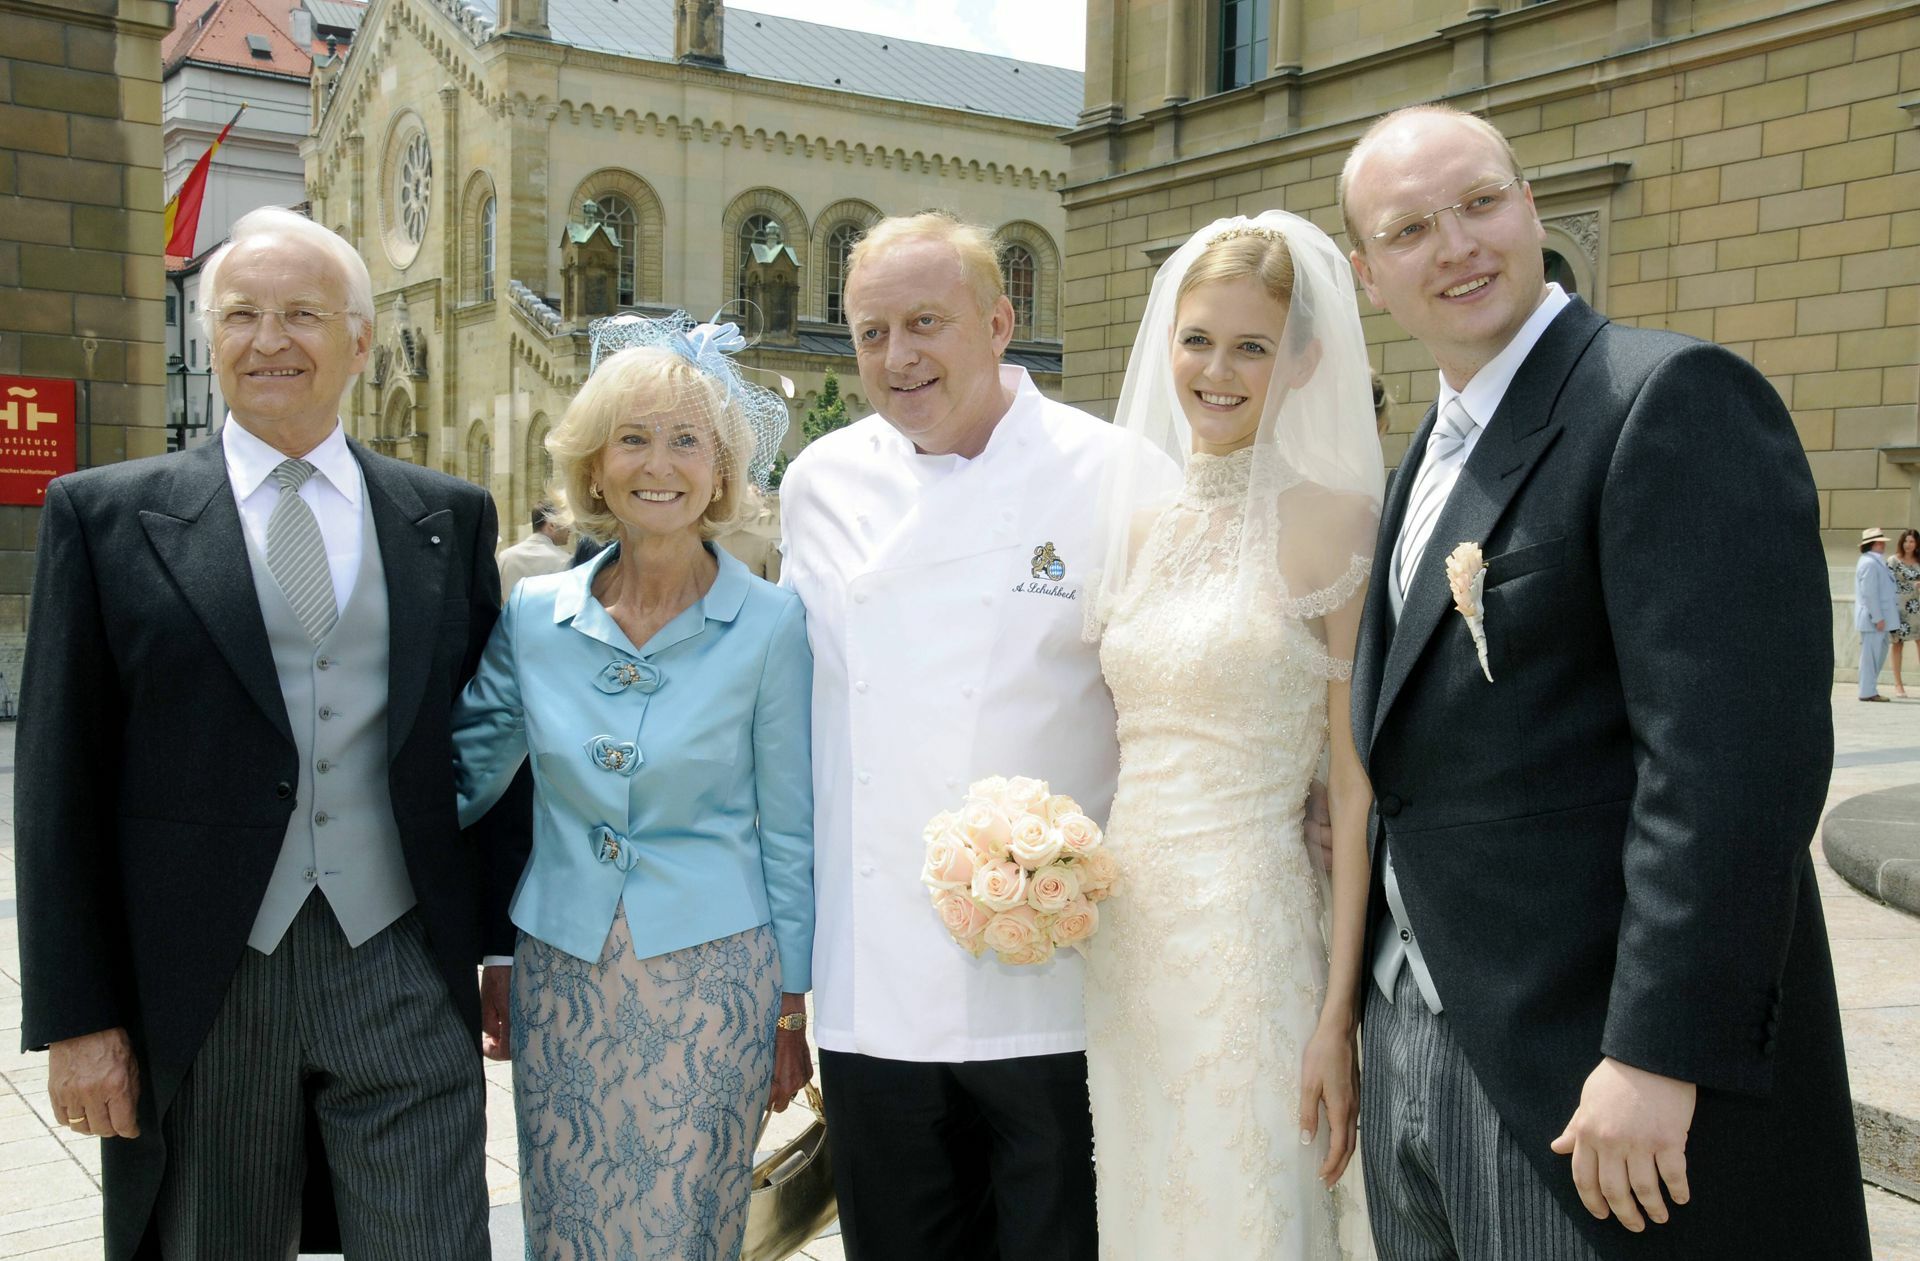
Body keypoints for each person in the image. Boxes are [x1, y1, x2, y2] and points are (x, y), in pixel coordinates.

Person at [1339, 104, 1869, 1260]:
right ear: (1368, 271)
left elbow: (1735, 765)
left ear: (1533, 208)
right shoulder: (1413, 472)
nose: (1460, 244)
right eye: (1413, 227)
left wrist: (1657, 1051)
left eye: (1482, 202)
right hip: (1417, 1040)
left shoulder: (1666, 399)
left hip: (1591, 1076)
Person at [14, 206, 527, 1258]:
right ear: (210, 337)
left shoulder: (448, 515)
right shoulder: (103, 518)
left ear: (360, 340)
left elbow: (488, 744)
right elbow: (57, 783)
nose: (269, 339)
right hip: (205, 981)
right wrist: (76, 1019)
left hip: (397, 956)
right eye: (241, 314)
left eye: (302, 312)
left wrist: (504, 948)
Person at [777, 212, 1177, 1261]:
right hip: (873, 985)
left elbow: (1170, 717)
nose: (898, 357)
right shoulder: (819, 481)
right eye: (871, 333)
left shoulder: (1115, 475)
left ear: (1000, 321)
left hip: (1056, 980)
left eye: (926, 322)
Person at [450, 313, 815, 1260]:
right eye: (635, 437)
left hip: (713, 981)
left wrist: (790, 1002)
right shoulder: (534, 615)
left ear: (722, 470)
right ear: (597, 466)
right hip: (562, 976)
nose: (661, 462)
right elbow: (461, 777)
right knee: (566, 1220)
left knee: (686, 1229)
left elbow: (789, 828)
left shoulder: (773, 624)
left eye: (688, 440)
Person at [1082, 212, 1383, 1257]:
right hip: (1124, 943)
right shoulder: (1130, 525)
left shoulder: (1340, 522)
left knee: (1245, 1206)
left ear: (1303, 361)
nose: (1218, 369)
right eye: (1198, 338)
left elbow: (1354, 790)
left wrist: (1336, 1013)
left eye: (1252, 344)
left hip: (1253, 942)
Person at [1856, 527, 1899, 702]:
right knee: (1870, 656)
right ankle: (1867, 691)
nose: (1882, 545)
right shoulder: (1869, 563)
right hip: (1873, 619)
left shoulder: (1875, 562)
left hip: (1879, 618)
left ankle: (1870, 688)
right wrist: (1877, 617)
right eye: (1879, 542)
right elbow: (1869, 593)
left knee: (1877, 654)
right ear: (1871, 544)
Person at [497, 498, 573, 592]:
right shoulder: (565, 561)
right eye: (566, 522)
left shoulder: (505, 557)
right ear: (552, 525)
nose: (570, 529)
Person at [1887, 527, 1920, 698]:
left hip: (1917, 607)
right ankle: (1898, 684)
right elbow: (1886, 583)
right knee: (1897, 644)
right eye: (1906, 541)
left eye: (1912, 541)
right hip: (1898, 608)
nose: (1908, 545)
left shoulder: (1919, 561)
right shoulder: (1893, 561)